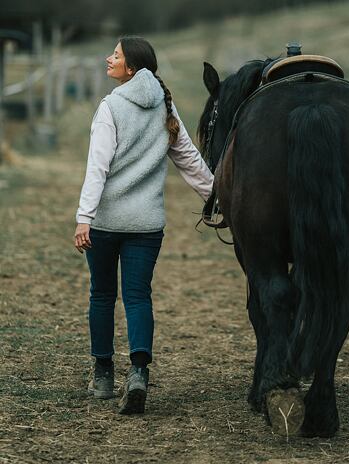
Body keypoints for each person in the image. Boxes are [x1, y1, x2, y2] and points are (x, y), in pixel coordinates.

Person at [74, 36, 213, 414]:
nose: (109, 58)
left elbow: (97, 167)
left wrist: (84, 216)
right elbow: (189, 160)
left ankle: (103, 375)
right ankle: (138, 373)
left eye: (115, 55)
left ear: (131, 68)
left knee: (102, 295)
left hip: (105, 223)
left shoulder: (111, 107)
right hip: (147, 226)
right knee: (138, 297)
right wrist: (218, 198)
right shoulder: (165, 106)